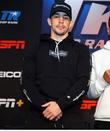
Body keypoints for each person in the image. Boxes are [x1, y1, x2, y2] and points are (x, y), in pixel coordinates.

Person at [21, 0, 91, 129]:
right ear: (49, 21)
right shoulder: (35, 47)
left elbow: (83, 82)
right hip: (38, 117)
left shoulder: (81, 50)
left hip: (70, 119)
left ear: (71, 24)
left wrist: (60, 105)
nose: (60, 21)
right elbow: (26, 81)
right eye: (56, 16)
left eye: (65, 18)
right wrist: (46, 108)